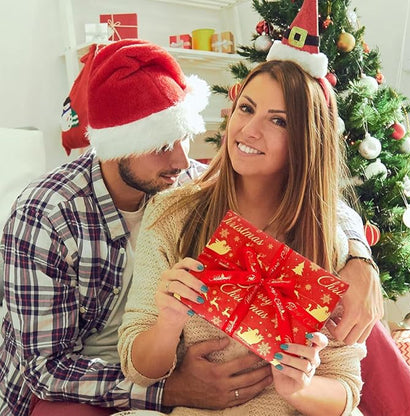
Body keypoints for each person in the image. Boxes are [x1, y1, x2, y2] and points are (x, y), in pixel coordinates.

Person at [117, 3, 367, 414]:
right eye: (247, 108)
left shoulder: (329, 238)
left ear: (307, 141)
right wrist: (168, 322)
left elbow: (346, 387)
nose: (249, 130)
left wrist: (298, 388)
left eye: (279, 121)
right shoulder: (172, 215)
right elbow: (139, 369)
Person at [0, 40, 273, 416]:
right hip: (76, 384)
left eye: (183, 135)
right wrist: (172, 390)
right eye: (161, 144)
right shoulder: (47, 216)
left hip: (169, 355)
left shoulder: (188, 184)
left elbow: (290, 193)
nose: (181, 159)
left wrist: (359, 254)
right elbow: (45, 370)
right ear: (118, 144)